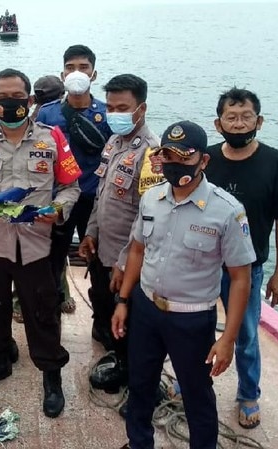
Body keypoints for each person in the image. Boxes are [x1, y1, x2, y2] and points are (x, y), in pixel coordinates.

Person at [112, 120, 256, 449]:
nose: (175, 165)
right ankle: (138, 443)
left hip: (191, 320)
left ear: (203, 161)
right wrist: (123, 301)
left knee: (196, 395)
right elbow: (137, 249)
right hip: (146, 310)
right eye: (167, 156)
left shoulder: (227, 212)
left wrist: (228, 340)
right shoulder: (151, 199)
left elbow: (240, 279)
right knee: (140, 383)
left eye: (184, 157)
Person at [0, 68, 81, 418]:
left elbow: (71, 186)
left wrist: (58, 210)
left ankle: (51, 372)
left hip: (37, 244)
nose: (10, 105)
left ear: (29, 101)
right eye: (3, 100)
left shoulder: (53, 138)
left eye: (17, 99)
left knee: (43, 309)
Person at [203, 87, 278, 428]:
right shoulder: (206, 159)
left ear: (259, 121)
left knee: (244, 333)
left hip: (246, 269)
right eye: (231, 118)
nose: (238, 124)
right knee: (194, 326)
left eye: (246, 117)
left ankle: (248, 392)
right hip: (202, 263)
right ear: (218, 124)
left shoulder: (276, 163)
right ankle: (192, 378)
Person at [78, 74, 161, 394]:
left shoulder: (151, 154)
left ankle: (133, 373)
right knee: (105, 309)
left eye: (122, 107)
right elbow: (102, 194)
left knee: (128, 319)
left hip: (128, 258)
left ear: (141, 109)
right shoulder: (114, 142)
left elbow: (147, 217)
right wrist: (90, 233)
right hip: (102, 248)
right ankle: (118, 355)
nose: (115, 113)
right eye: (110, 107)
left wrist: (125, 263)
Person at [36, 45, 112, 315]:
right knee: (52, 260)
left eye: (83, 68)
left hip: (95, 199)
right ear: (62, 73)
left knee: (101, 264)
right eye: (70, 68)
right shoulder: (47, 113)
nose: (76, 73)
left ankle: (102, 324)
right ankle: (49, 315)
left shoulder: (108, 114)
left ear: (94, 74)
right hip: (59, 199)